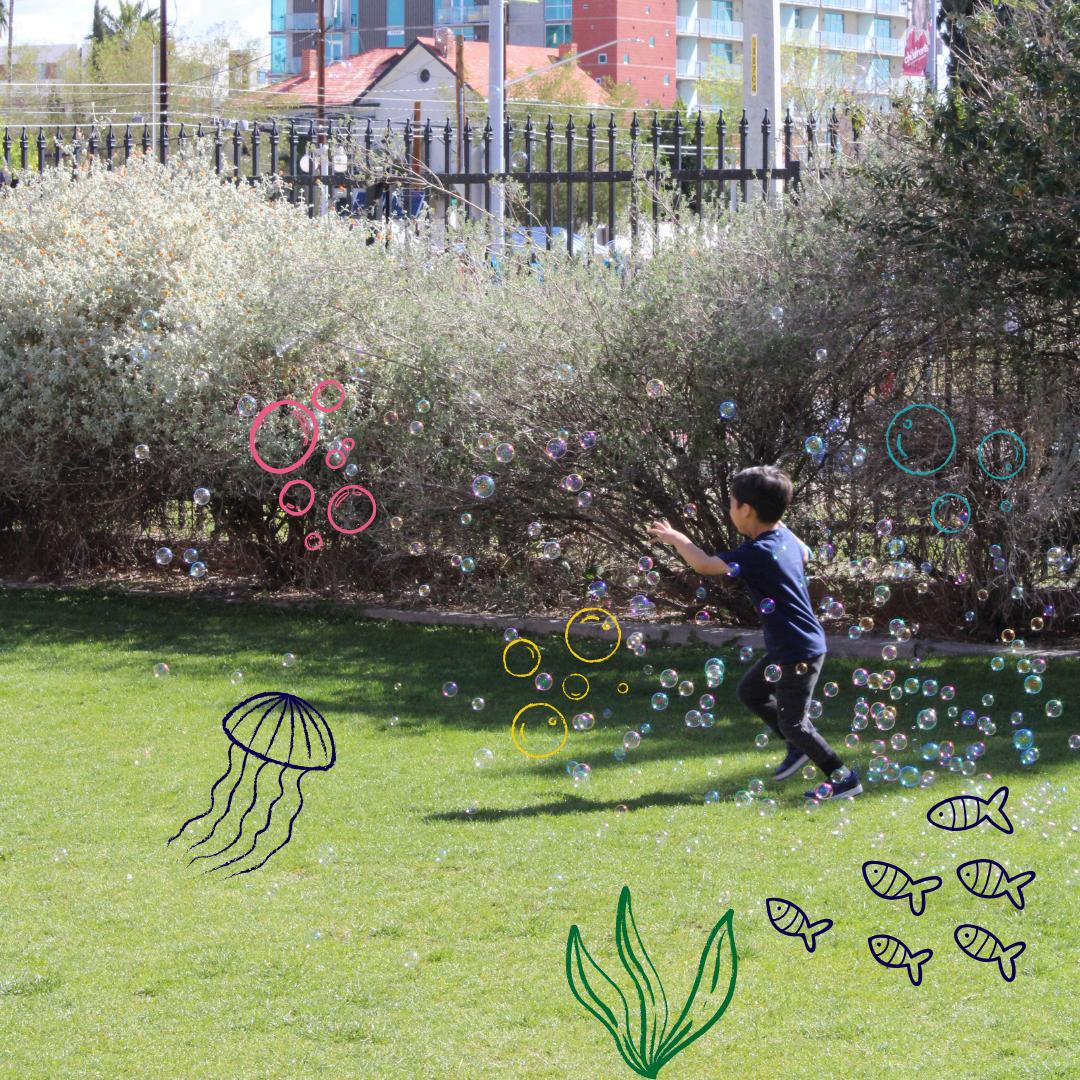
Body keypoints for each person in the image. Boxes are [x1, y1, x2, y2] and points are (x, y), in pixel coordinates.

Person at [647, 465, 861, 801]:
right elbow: (806, 553)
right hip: (794, 642)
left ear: (746, 510)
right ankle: (798, 747)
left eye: (732, 504)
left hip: (796, 647)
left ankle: (843, 777)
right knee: (751, 691)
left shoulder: (757, 552)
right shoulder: (785, 539)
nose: (730, 510)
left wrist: (677, 539)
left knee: (794, 723)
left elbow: (704, 565)